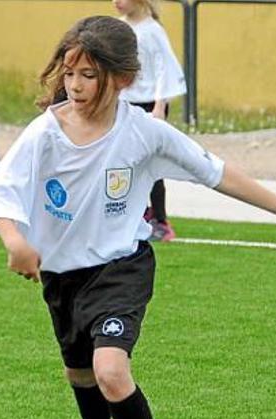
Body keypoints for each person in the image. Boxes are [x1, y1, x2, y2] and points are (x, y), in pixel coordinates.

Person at [0, 16, 276, 419]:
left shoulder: (144, 132)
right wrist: (13, 239)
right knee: (79, 369)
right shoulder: (46, 132)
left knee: (109, 369)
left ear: (123, 78)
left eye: (89, 75)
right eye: (69, 74)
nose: (76, 85)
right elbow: (2, 191)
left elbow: (216, 172)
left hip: (121, 265)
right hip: (62, 272)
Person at [114, 0, 186, 241]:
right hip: (125, 104)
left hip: (148, 105)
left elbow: (164, 68)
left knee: (152, 164)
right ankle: (137, 213)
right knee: (125, 162)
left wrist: (159, 106)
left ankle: (161, 221)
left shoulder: (153, 30)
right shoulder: (119, 28)